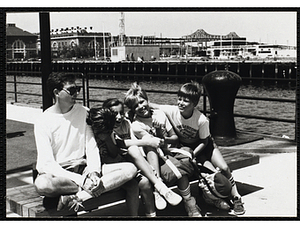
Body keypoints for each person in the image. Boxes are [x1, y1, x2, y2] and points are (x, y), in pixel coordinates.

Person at [34, 72, 138, 215]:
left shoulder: (84, 112)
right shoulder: (43, 121)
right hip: (60, 173)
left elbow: (91, 146)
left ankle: (78, 197)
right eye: (71, 90)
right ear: (56, 92)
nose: (76, 93)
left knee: (130, 169)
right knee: (42, 184)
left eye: (78, 89)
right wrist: (83, 181)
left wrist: (94, 172)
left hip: (84, 168)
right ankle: (87, 188)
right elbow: (47, 164)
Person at [151, 81, 245, 215]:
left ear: (194, 104)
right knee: (200, 171)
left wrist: (193, 155)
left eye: (185, 101)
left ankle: (236, 197)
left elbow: (204, 141)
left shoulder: (201, 120)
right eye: (179, 99)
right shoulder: (173, 111)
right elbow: (154, 105)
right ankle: (211, 196)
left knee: (223, 168)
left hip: (204, 146)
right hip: (186, 147)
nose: (180, 103)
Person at [124, 82, 202, 217]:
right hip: (152, 159)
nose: (141, 107)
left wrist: (162, 134)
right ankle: (158, 188)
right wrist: (159, 134)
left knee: (180, 172)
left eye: (142, 102)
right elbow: (153, 145)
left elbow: (174, 138)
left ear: (147, 100)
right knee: (176, 170)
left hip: (167, 152)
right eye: (135, 106)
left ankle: (190, 203)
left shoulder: (160, 114)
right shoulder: (137, 125)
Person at [101, 98, 182, 217]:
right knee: (139, 148)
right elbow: (118, 146)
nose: (119, 117)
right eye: (115, 114)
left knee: (145, 182)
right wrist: (148, 142)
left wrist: (147, 166)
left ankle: (152, 213)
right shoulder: (107, 128)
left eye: (121, 113)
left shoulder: (126, 124)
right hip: (115, 165)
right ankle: (160, 186)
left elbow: (133, 142)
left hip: (130, 161)